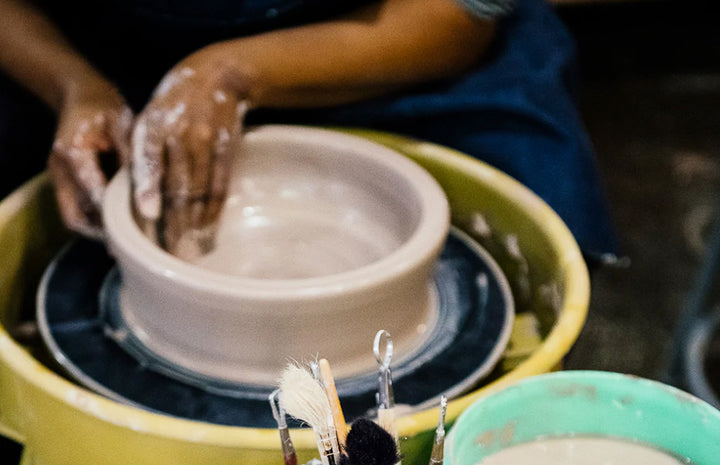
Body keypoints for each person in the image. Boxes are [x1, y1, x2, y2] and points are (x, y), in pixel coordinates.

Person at [0, 0, 619, 259]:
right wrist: (70, 85)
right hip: (95, 49)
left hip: (373, 45)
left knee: (530, 209)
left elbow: (453, 14)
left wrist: (231, 72)